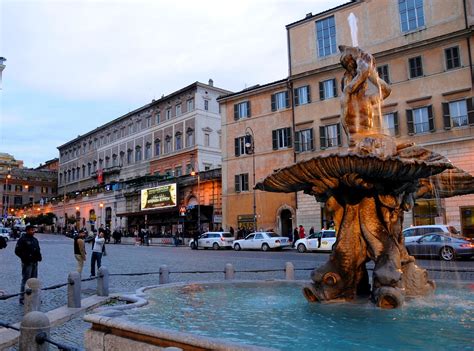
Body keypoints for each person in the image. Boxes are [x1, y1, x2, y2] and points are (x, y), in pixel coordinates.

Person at [15, 225, 42, 304]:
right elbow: (17, 251)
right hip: (27, 263)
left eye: (33, 230)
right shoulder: (22, 240)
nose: (33, 231)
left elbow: (38, 249)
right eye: (31, 230)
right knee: (26, 280)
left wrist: (39, 257)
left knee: (34, 280)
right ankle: (22, 297)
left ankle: (34, 296)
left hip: (35, 262)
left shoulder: (35, 240)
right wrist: (25, 258)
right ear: (27, 231)